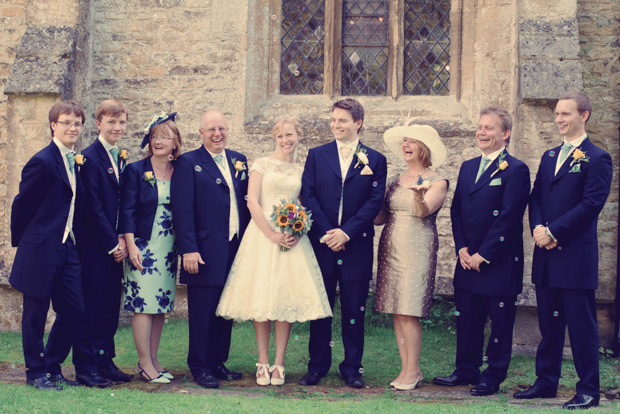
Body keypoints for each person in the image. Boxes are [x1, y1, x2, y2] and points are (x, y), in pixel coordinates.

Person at [216, 118, 332, 386]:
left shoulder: (302, 170)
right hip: (262, 235)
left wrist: (297, 229)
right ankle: (262, 361)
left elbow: (304, 205)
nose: (284, 140)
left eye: (289, 134)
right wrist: (270, 233)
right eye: (280, 136)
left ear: (298, 135)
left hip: (291, 238)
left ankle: (279, 362)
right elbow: (252, 201)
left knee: (283, 297)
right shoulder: (261, 165)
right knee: (263, 296)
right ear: (275, 138)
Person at [515, 91, 612, 410]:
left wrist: (556, 231)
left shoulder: (597, 158)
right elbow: (536, 197)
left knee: (581, 327)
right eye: (557, 113)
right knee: (549, 324)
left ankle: (588, 390)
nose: (558, 119)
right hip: (546, 255)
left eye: (565, 114)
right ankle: (546, 382)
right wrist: (539, 229)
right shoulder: (548, 157)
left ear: (583, 116)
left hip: (574, 255)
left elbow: (591, 204)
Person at [9, 101, 109, 389]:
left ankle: (52, 365)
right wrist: (26, 244)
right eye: (66, 122)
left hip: (68, 249)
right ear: (54, 125)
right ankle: (35, 373)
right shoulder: (42, 161)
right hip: (39, 249)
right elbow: (21, 206)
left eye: (77, 123)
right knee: (35, 315)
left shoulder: (78, 161)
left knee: (75, 310)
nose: (72, 128)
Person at [434, 107, 530, 397]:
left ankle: (493, 375)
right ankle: (466, 369)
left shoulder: (516, 169)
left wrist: (484, 254)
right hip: (467, 260)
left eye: (489, 128)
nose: (481, 132)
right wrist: (462, 248)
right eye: (480, 127)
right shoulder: (467, 167)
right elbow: (457, 211)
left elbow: (510, 216)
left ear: (505, 134)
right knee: (467, 319)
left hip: (497, 262)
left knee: (499, 324)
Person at [300, 98, 387, 388]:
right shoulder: (317, 155)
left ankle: (352, 367)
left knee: (354, 308)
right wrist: (327, 232)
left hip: (356, 244)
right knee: (321, 306)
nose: (336, 125)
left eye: (343, 121)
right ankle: (317, 365)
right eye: (333, 120)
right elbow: (308, 195)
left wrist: (346, 232)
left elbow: (374, 202)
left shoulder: (374, 160)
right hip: (322, 242)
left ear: (358, 123)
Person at [171, 110, 250, 389]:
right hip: (202, 249)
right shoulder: (188, 162)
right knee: (203, 310)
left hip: (234, 246)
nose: (217, 134)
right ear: (201, 133)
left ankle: (218, 362)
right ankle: (200, 365)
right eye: (211, 130)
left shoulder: (239, 160)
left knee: (225, 308)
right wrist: (188, 249)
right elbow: (182, 210)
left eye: (222, 128)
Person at [374, 122, 448, 391]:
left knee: (409, 310)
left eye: (412, 141)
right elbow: (380, 217)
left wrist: (418, 195)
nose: (406, 146)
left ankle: (414, 370)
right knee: (396, 309)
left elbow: (423, 212)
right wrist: (366, 197)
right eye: (404, 141)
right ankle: (405, 369)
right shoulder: (394, 180)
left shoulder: (438, 180)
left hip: (419, 246)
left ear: (423, 148)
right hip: (391, 244)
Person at [118, 112, 182, 384]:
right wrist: (131, 245)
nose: (158, 141)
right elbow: (127, 211)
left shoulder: (180, 170)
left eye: (164, 136)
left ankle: (154, 360)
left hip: (168, 248)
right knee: (144, 305)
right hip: (143, 245)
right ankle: (144, 363)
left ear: (175, 143)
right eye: (154, 136)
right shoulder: (135, 170)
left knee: (160, 305)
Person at [75, 99, 132, 383]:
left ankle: (105, 360)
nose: (117, 127)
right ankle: (86, 367)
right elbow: (92, 207)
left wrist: (122, 236)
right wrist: (112, 243)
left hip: (115, 246)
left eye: (121, 122)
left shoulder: (118, 156)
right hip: (96, 248)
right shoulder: (89, 158)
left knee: (110, 306)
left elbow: (119, 203)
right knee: (93, 307)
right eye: (111, 122)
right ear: (98, 124)